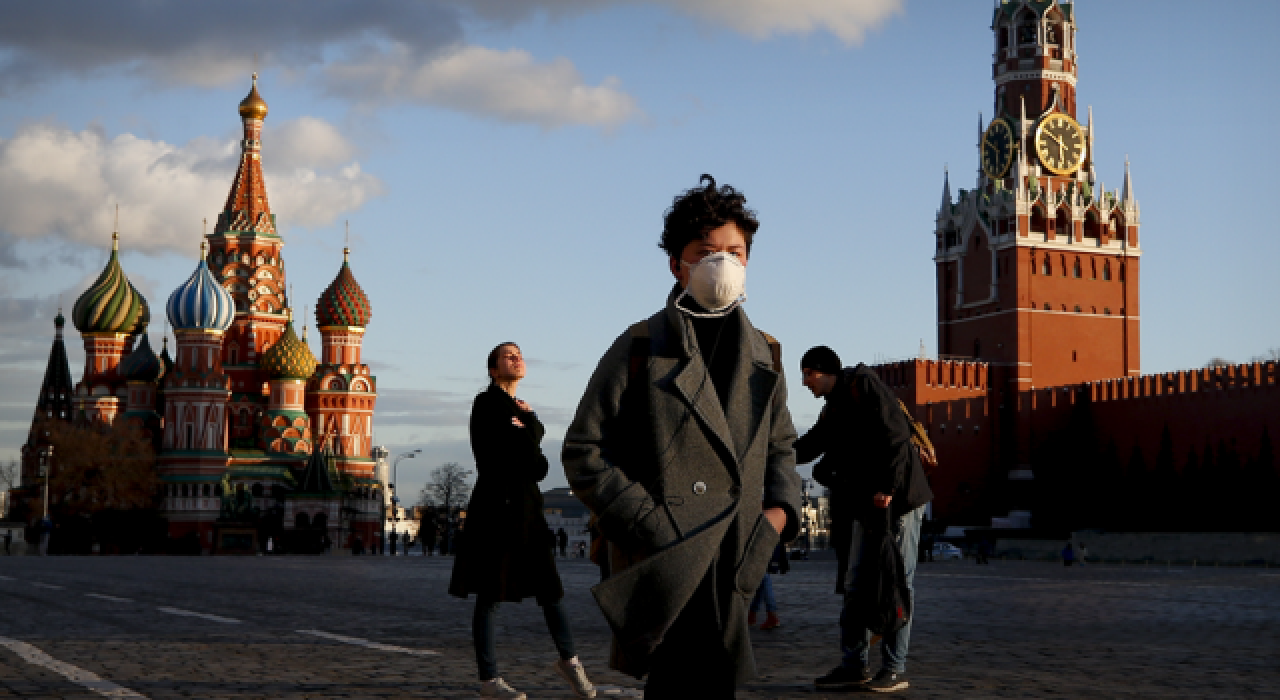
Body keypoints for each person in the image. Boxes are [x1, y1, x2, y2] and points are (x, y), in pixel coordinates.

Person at [563, 174, 804, 699]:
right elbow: (584, 450)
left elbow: (782, 445)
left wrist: (780, 514)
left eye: (736, 252)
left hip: (735, 555)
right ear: (678, 263)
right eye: (708, 251)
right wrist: (650, 521)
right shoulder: (641, 344)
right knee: (674, 686)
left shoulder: (767, 352)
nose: (724, 263)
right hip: (667, 558)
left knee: (717, 685)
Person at [449, 342, 596, 700]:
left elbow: (539, 466)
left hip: (529, 513)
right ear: (493, 369)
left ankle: (571, 661)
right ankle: (489, 679)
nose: (517, 359)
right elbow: (504, 454)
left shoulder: (521, 413)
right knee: (490, 596)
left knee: (551, 590)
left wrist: (526, 425)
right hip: (497, 511)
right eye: (508, 356)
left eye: (519, 355)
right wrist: (529, 427)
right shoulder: (486, 404)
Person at [798, 346, 934, 694]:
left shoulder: (864, 384)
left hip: (899, 500)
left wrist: (886, 486)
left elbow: (896, 435)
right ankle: (853, 665)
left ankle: (894, 667)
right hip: (866, 504)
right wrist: (775, 452)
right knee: (856, 581)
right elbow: (812, 444)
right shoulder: (834, 409)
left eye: (808, 374)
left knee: (897, 582)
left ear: (825, 371)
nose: (805, 383)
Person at [749, 543, 789, 630]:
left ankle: (771, 614)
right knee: (761, 582)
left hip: (763, 550)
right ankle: (752, 614)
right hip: (770, 550)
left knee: (764, 579)